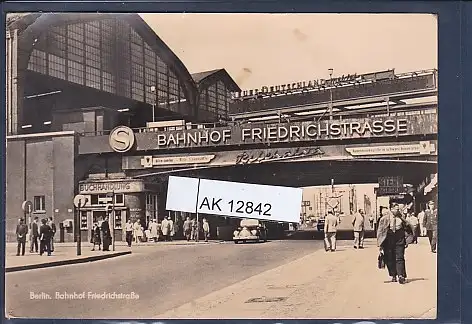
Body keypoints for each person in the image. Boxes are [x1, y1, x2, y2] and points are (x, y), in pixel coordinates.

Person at [377, 203, 408, 284]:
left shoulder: (401, 217)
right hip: (388, 239)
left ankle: (401, 275)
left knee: (400, 257)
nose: (398, 211)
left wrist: (407, 240)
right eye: (396, 209)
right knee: (390, 258)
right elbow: (380, 231)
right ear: (391, 209)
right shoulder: (384, 218)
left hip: (399, 239)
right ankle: (393, 275)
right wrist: (380, 243)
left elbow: (407, 227)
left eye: (398, 209)